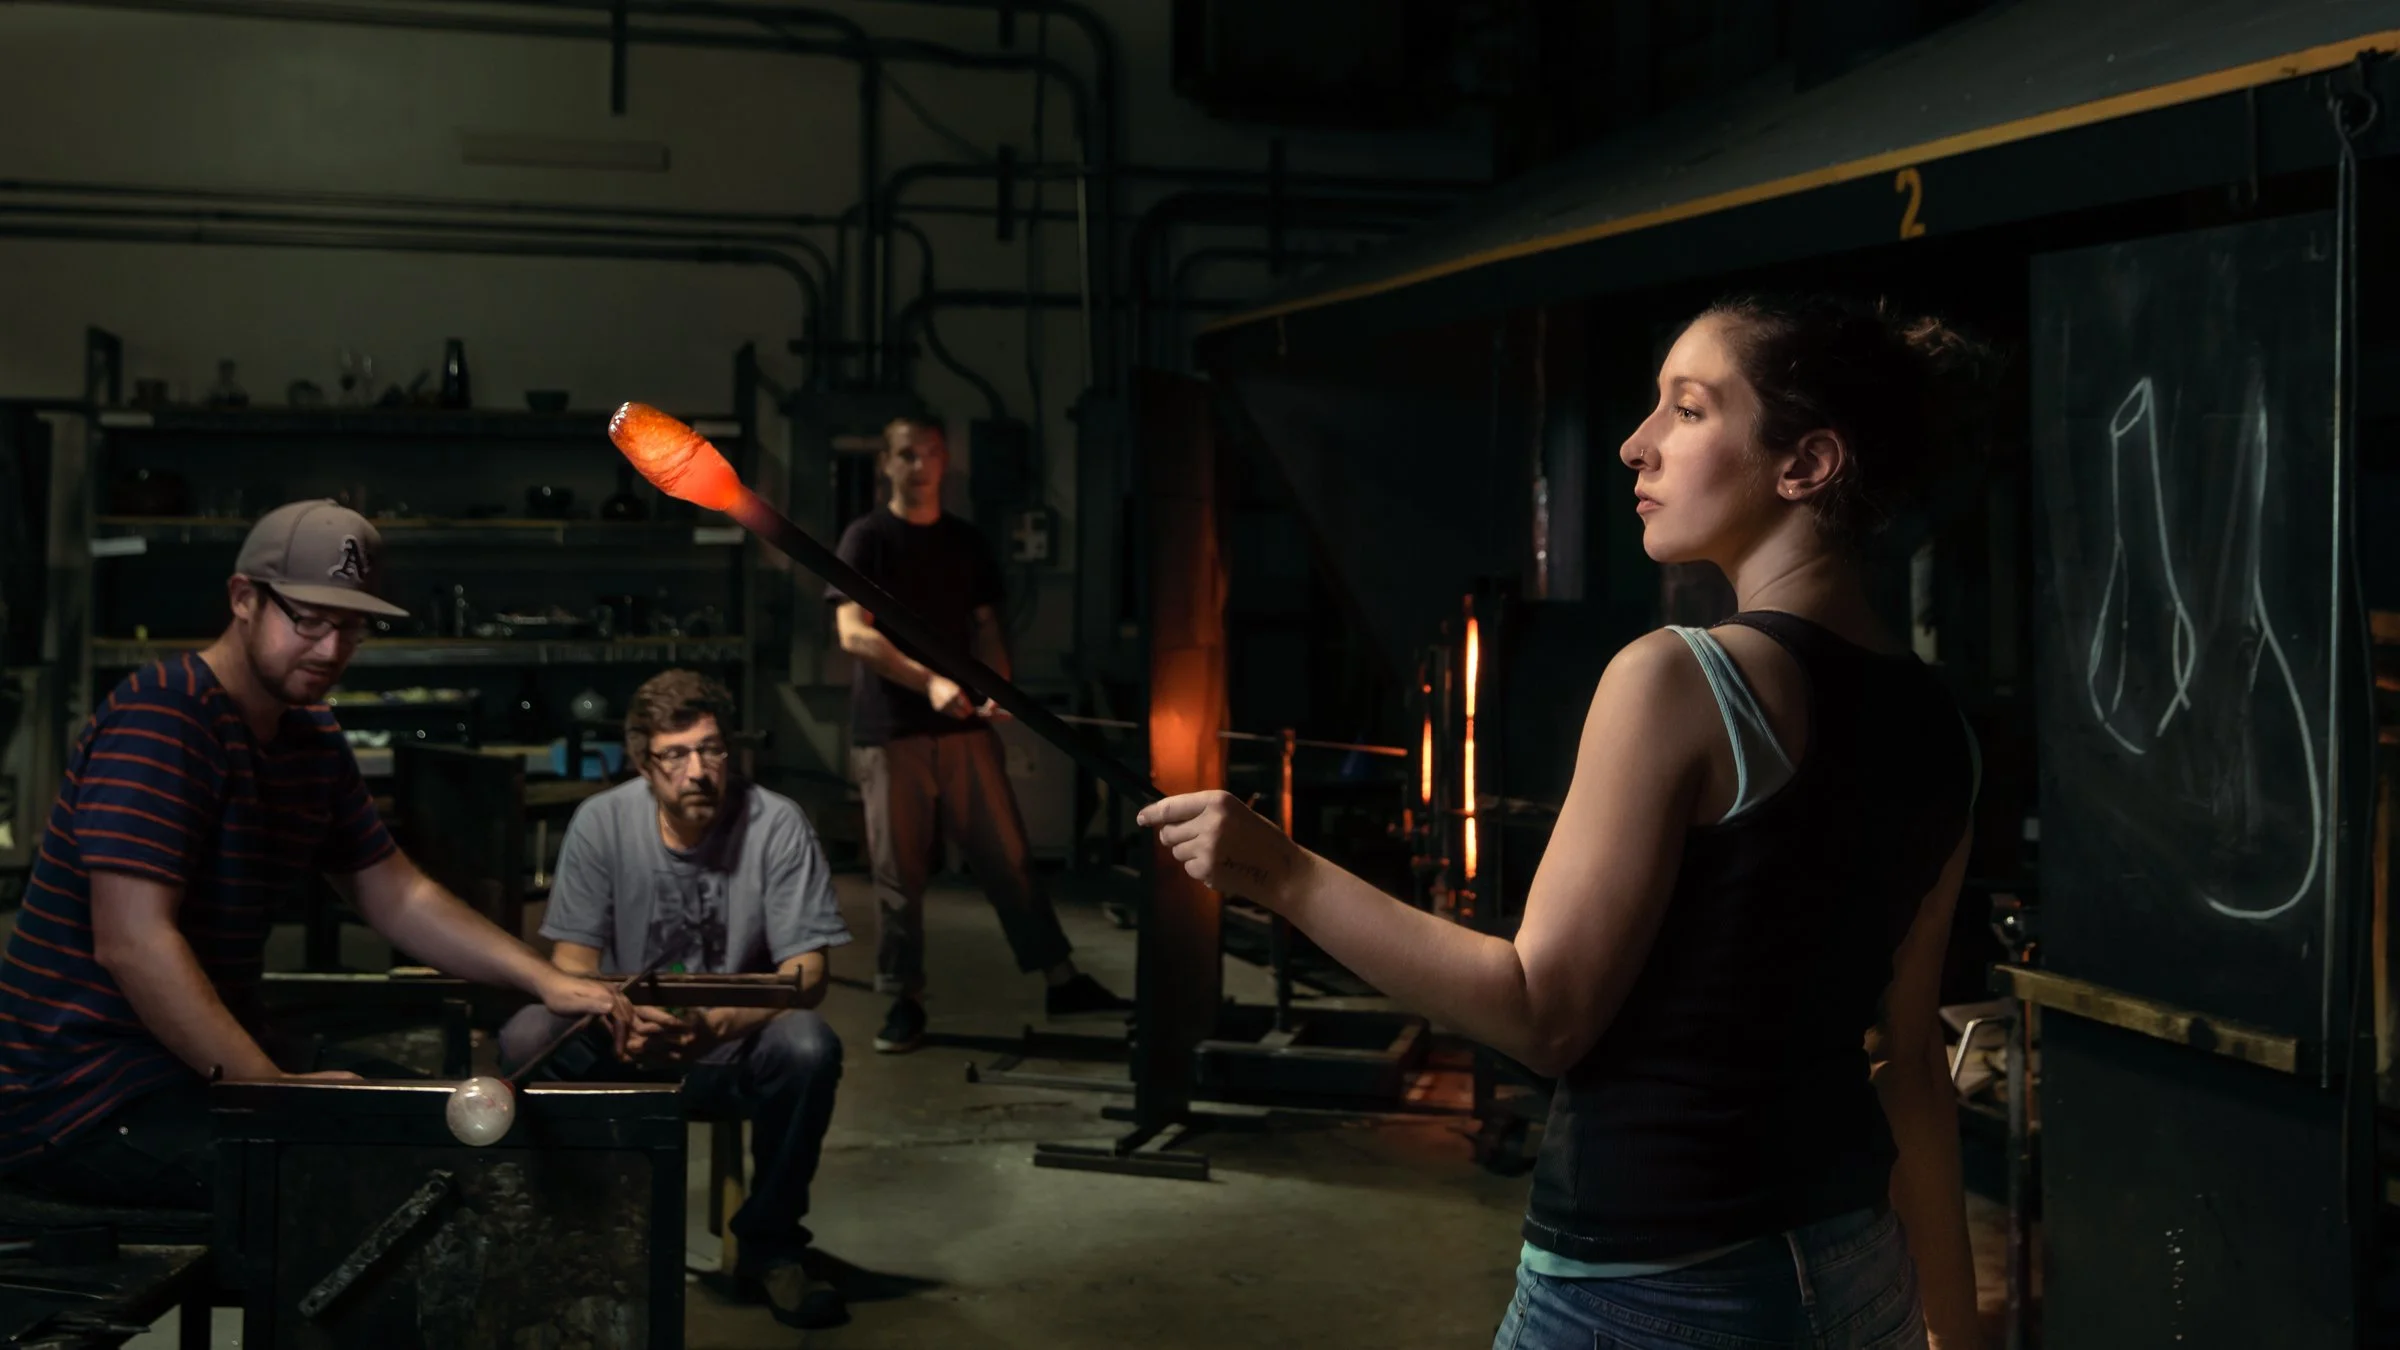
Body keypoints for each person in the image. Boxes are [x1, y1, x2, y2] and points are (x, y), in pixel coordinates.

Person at [1139, 295, 1989, 1350]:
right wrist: (1957, 1330)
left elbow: (1542, 1013)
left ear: (1805, 465)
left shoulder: (1682, 678)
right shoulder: (1941, 728)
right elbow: (1911, 1065)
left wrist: (1281, 873)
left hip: (1652, 1288)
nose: (1637, 446)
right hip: (1859, 1275)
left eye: (1686, 410)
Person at [0, 499, 630, 1209]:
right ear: (243, 598)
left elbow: (397, 893)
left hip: (192, 1068)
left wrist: (542, 980)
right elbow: (133, 942)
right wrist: (268, 1091)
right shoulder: (163, 718)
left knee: (439, 1125)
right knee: (366, 1180)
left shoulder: (310, 737)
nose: (331, 651)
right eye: (309, 620)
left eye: (351, 629)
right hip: (84, 1094)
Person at [498, 670, 850, 1331]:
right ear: (642, 762)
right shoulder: (602, 822)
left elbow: (807, 972)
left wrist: (720, 1022)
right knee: (524, 1038)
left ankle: (771, 1246)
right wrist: (619, 1016)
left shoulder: (776, 823)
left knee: (808, 1046)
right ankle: (573, 1228)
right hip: (626, 1038)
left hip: (733, 1047)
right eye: (676, 754)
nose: (698, 771)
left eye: (712, 749)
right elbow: (571, 962)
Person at [829, 414, 1128, 1055]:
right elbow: (854, 633)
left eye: (932, 453)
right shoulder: (867, 538)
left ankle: (1061, 979)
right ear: (887, 463)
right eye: (908, 455)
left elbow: (987, 623)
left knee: (1008, 858)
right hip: (892, 733)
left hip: (963, 731)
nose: (922, 465)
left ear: (945, 462)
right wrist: (928, 681)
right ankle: (903, 999)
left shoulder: (965, 541)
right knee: (898, 875)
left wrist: (999, 683)